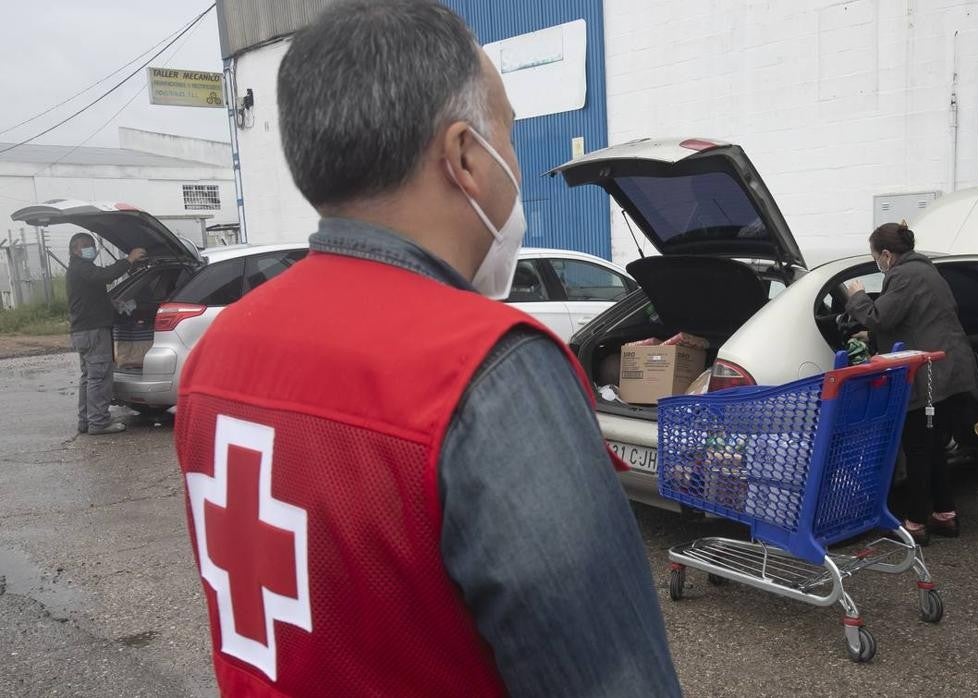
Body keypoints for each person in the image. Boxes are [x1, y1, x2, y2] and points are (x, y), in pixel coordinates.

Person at [172, 2, 680, 696]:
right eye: (511, 134)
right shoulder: (489, 372)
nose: (516, 162)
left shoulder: (218, 351)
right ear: (467, 155)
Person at [844, 222, 977, 545]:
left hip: (928, 377)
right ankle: (945, 515)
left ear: (887, 255)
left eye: (876, 257)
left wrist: (857, 297)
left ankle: (915, 524)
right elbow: (917, 318)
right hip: (952, 371)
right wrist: (874, 337)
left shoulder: (902, 276)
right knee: (934, 449)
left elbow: (878, 317)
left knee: (918, 450)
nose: (878, 263)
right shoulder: (928, 271)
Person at [66, 232, 145, 435]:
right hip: (93, 331)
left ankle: (87, 421)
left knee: (89, 377)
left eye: (92, 244)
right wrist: (129, 260)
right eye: (85, 245)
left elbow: (92, 294)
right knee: (99, 377)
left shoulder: (79, 269)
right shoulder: (82, 267)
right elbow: (105, 275)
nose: (90, 248)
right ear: (74, 250)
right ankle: (99, 423)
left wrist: (113, 305)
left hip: (83, 331)